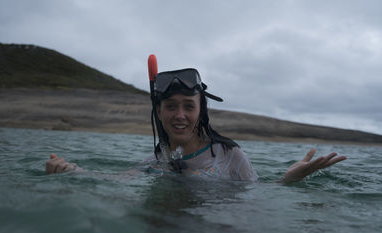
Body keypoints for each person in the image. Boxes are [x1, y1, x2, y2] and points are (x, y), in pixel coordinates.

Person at [46, 68, 346, 184]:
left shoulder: (229, 155)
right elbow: (113, 180)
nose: (180, 115)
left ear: (201, 111)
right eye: (171, 106)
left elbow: (260, 194)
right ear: (159, 112)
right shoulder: (156, 161)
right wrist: (71, 172)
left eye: (189, 106)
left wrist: (288, 179)